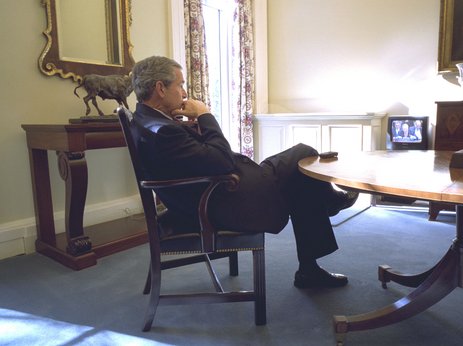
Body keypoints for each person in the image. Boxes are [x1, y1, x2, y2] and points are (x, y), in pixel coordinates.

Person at [130, 56, 359, 289]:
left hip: (223, 190)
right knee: (304, 155)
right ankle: (331, 204)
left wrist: (192, 125)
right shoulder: (163, 131)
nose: (184, 92)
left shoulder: (146, 121)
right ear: (160, 88)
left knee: (301, 175)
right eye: (180, 85)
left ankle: (312, 259)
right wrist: (205, 115)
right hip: (226, 200)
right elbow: (221, 160)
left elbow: (195, 157)